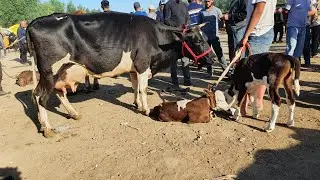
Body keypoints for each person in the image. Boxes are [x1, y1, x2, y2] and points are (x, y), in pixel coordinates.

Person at [238, 0, 277, 116]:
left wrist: (245, 35)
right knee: (260, 70)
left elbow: (259, 10)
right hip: (264, 30)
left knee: (248, 71)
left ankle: (245, 106)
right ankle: (256, 101)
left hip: (258, 33)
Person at [164, 0, 191, 91]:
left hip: (184, 35)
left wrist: (187, 25)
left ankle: (187, 80)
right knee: (173, 61)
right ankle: (175, 82)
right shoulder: (168, 4)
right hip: (173, 36)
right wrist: (178, 26)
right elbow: (166, 20)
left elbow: (187, 17)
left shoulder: (184, 4)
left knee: (185, 59)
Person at [198, 0, 228, 78]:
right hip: (205, 38)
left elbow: (222, 19)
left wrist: (224, 25)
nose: (207, 3)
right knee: (208, 56)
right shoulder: (201, 12)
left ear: (212, 1)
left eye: (208, 1)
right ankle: (209, 72)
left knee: (220, 54)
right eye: (205, 1)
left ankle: (226, 72)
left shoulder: (217, 10)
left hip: (215, 37)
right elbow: (199, 24)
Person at [301, 1, 317, 67]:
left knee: (306, 44)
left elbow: (313, 11)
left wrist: (301, 14)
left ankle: (307, 62)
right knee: (296, 45)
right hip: (295, 24)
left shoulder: (311, 1)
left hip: (305, 24)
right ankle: (297, 62)